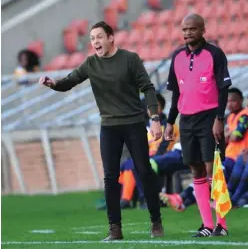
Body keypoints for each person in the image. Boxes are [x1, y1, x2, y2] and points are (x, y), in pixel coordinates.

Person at [39, 21, 164, 240]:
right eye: (92, 39)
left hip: (134, 123)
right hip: (109, 127)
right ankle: (115, 228)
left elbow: (148, 88)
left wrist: (154, 118)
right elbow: (68, 82)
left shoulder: (130, 59)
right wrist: (52, 83)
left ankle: (156, 222)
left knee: (144, 171)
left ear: (110, 38)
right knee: (110, 177)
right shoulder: (90, 63)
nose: (95, 42)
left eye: (99, 37)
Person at [164, 13, 232, 237]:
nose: (187, 33)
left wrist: (219, 119)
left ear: (203, 30)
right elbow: (175, 95)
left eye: (192, 29)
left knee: (212, 168)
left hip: (209, 116)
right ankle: (206, 225)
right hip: (187, 120)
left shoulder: (215, 54)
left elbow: (223, 90)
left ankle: (221, 224)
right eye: (184, 30)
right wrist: (169, 122)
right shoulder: (176, 57)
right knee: (195, 168)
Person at [223, 88, 248, 182]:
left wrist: (228, 134)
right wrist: (228, 135)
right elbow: (223, 139)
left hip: (239, 156)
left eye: (233, 101)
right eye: (227, 101)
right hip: (229, 155)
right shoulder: (230, 117)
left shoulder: (245, 115)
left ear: (241, 100)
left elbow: (236, 136)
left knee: (218, 174)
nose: (229, 104)